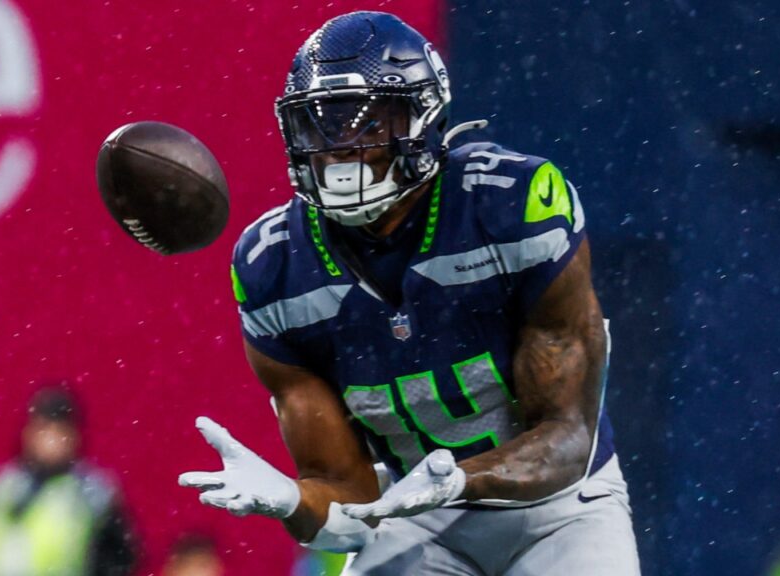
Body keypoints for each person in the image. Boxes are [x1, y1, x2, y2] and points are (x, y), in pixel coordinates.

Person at [179, 11, 639, 574]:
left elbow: (567, 439)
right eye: (320, 126)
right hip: (414, 516)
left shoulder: (510, 207)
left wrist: (459, 480)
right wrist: (293, 501)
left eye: (367, 124)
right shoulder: (272, 266)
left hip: (561, 510)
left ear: (423, 117)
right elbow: (347, 503)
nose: (339, 148)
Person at [0, 386, 137, 576]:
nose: (50, 441)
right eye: (43, 430)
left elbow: (120, 559)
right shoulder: (0, 487)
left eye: (59, 432)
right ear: (28, 433)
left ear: (74, 436)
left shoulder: (93, 493)